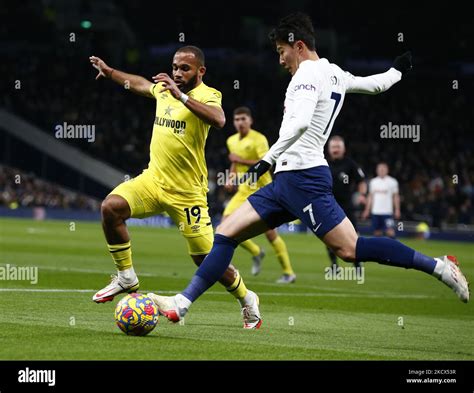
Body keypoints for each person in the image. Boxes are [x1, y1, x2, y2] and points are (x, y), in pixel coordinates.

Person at [147, 13, 469, 323]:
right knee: (226, 233)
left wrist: (266, 160)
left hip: (303, 177)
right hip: (288, 179)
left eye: (281, 51)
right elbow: (376, 85)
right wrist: (398, 70)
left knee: (350, 249)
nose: (280, 60)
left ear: (298, 45)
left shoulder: (305, 75)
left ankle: (439, 267)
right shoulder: (335, 73)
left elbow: (299, 124)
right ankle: (183, 303)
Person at [89, 46, 261, 329]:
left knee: (204, 259)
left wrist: (180, 94)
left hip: (187, 193)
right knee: (111, 207)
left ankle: (247, 298)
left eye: (185, 69)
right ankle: (126, 277)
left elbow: (219, 120)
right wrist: (110, 73)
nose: (178, 73)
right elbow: (141, 84)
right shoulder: (163, 90)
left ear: (200, 71)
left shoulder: (208, 95)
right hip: (153, 181)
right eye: (175, 67)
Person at [223, 106, 296, 283]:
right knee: (224, 228)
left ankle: (288, 272)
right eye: (237, 119)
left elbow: (267, 163)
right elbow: (234, 163)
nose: (240, 123)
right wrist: (230, 179)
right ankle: (257, 252)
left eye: (243, 119)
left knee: (270, 234)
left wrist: (239, 160)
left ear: (250, 120)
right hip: (243, 190)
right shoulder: (231, 140)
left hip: (263, 189)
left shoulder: (259, 139)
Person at [326, 135, 367, 272]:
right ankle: (334, 265)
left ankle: (357, 265)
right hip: (329, 205)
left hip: (347, 206)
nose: (335, 150)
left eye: (338, 147)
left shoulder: (350, 164)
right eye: (333, 147)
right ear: (329, 149)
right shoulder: (323, 163)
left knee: (354, 235)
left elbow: (361, 181)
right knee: (328, 235)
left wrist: (361, 195)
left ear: (343, 149)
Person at [362, 162, 400, 238]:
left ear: (387, 170)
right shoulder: (373, 182)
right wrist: (367, 210)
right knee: (376, 232)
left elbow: (395, 196)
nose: (381, 170)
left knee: (390, 231)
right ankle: (379, 249)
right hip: (375, 212)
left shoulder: (392, 182)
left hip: (387, 212)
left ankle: (393, 248)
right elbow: (370, 197)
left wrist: (397, 209)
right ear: (377, 170)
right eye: (380, 169)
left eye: (383, 169)